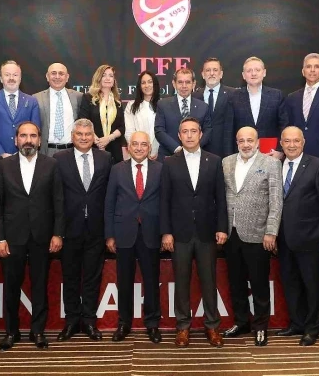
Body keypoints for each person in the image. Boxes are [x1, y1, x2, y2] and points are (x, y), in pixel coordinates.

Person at [0, 121, 64, 350]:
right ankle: (11, 332)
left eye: (33, 136)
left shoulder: (51, 165)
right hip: (12, 237)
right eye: (23, 136)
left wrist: (58, 234)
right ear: (16, 140)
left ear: (39, 140)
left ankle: (38, 331)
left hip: (42, 236)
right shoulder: (3, 165)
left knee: (40, 285)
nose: (28, 140)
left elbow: (59, 202)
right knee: (11, 286)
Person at [161, 117, 228, 348]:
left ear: (201, 134)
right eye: (185, 132)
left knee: (209, 281)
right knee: (181, 282)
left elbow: (221, 198)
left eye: (193, 131)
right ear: (179, 136)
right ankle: (183, 327)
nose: (189, 135)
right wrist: (166, 232)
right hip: (179, 234)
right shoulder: (169, 162)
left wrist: (222, 227)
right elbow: (164, 200)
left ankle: (212, 326)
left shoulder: (214, 160)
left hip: (207, 232)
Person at [221, 126, 281, 346]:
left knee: (259, 284)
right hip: (231, 234)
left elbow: (276, 201)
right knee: (235, 283)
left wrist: (271, 232)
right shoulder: (226, 162)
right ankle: (241, 322)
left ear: (258, 142)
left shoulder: (271, 163)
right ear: (236, 142)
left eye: (250, 140)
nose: (246, 144)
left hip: (258, 234)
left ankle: (261, 326)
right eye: (241, 141)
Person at [275, 126, 319, 346]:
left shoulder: (318, 166)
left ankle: (312, 328)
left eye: (296, 141)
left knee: (311, 286)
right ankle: (297, 323)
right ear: (281, 143)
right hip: (283, 239)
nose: (291, 145)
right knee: (290, 284)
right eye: (287, 141)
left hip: (310, 238)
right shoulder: (275, 165)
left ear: (303, 142)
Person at [54, 119, 112, 342]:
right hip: (69, 228)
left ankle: (88, 321)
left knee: (92, 277)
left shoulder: (106, 158)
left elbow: (109, 195)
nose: (84, 137)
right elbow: (56, 197)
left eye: (88, 134)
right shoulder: (59, 159)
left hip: (96, 228)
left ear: (93, 136)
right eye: (79, 134)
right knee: (70, 277)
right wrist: (57, 231)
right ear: (72, 136)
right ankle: (71, 321)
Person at [105, 131, 163, 344]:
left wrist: (165, 232)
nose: (139, 148)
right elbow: (109, 203)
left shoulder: (160, 169)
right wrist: (109, 235)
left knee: (151, 280)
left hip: (151, 232)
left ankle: (152, 324)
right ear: (128, 147)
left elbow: (165, 203)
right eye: (135, 144)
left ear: (150, 148)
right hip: (123, 233)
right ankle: (124, 323)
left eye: (143, 144)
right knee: (124, 281)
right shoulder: (117, 169)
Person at [229, 56, 288, 159]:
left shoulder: (277, 95)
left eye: (257, 70)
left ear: (264, 72)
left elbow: (284, 126)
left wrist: (281, 151)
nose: (253, 73)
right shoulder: (233, 97)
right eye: (249, 71)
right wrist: (230, 156)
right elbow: (229, 130)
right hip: (242, 156)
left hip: (270, 155)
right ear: (243, 75)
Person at [0, 60, 41, 157]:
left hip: (24, 155)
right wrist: (0, 153)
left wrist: (22, 153)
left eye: (15, 75)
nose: (11, 78)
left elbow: (35, 131)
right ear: (1, 79)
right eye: (7, 75)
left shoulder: (32, 101)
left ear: (20, 78)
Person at [155, 68, 212, 161]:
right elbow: (159, 130)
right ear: (174, 84)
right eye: (180, 82)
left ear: (193, 84)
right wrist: (178, 149)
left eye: (188, 82)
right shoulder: (163, 104)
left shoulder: (203, 106)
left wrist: (194, 148)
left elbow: (208, 130)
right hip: (169, 156)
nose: (184, 86)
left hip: (196, 157)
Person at [77, 64, 126, 163]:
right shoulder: (88, 98)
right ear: (98, 78)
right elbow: (83, 122)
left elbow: (122, 127)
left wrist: (108, 139)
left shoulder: (117, 101)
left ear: (114, 80)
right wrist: (98, 142)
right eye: (104, 75)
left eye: (111, 76)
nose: (108, 78)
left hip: (114, 148)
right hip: (93, 146)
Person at [35, 62, 83, 157]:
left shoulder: (78, 97)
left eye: (61, 74)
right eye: (53, 73)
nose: (57, 77)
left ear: (67, 77)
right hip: (46, 152)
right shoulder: (36, 98)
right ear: (47, 77)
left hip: (71, 151)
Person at [192, 58, 235, 157]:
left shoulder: (233, 94)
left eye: (215, 70)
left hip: (225, 150)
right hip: (200, 151)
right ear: (203, 74)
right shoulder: (194, 96)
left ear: (221, 74)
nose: (211, 73)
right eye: (208, 70)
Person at [125, 70, 161, 160]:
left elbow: (163, 132)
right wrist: (140, 149)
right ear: (140, 86)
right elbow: (129, 132)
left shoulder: (163, 105)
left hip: (158, 154)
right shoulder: (131, 105)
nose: (147, 85)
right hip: (137, 153)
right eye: (143, 83)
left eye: (150, 82)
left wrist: (154, 150)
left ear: (155, 84)